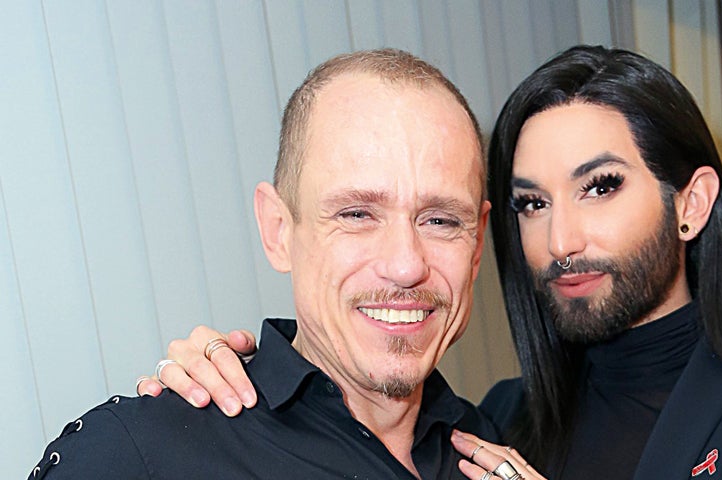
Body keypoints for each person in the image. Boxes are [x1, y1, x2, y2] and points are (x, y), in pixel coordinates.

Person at [139, 45, 722, 479]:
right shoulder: (488, 424)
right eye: (531, 202)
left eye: (600, 186)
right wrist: (224, 376)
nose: (561, 239)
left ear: (691, 204)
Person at [29, 48, 501, 479]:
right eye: (357, 214)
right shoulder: (136, 456)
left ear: (477, 244)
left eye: (440, 220)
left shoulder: (494, 445)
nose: (405, 265)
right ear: (278, 230)